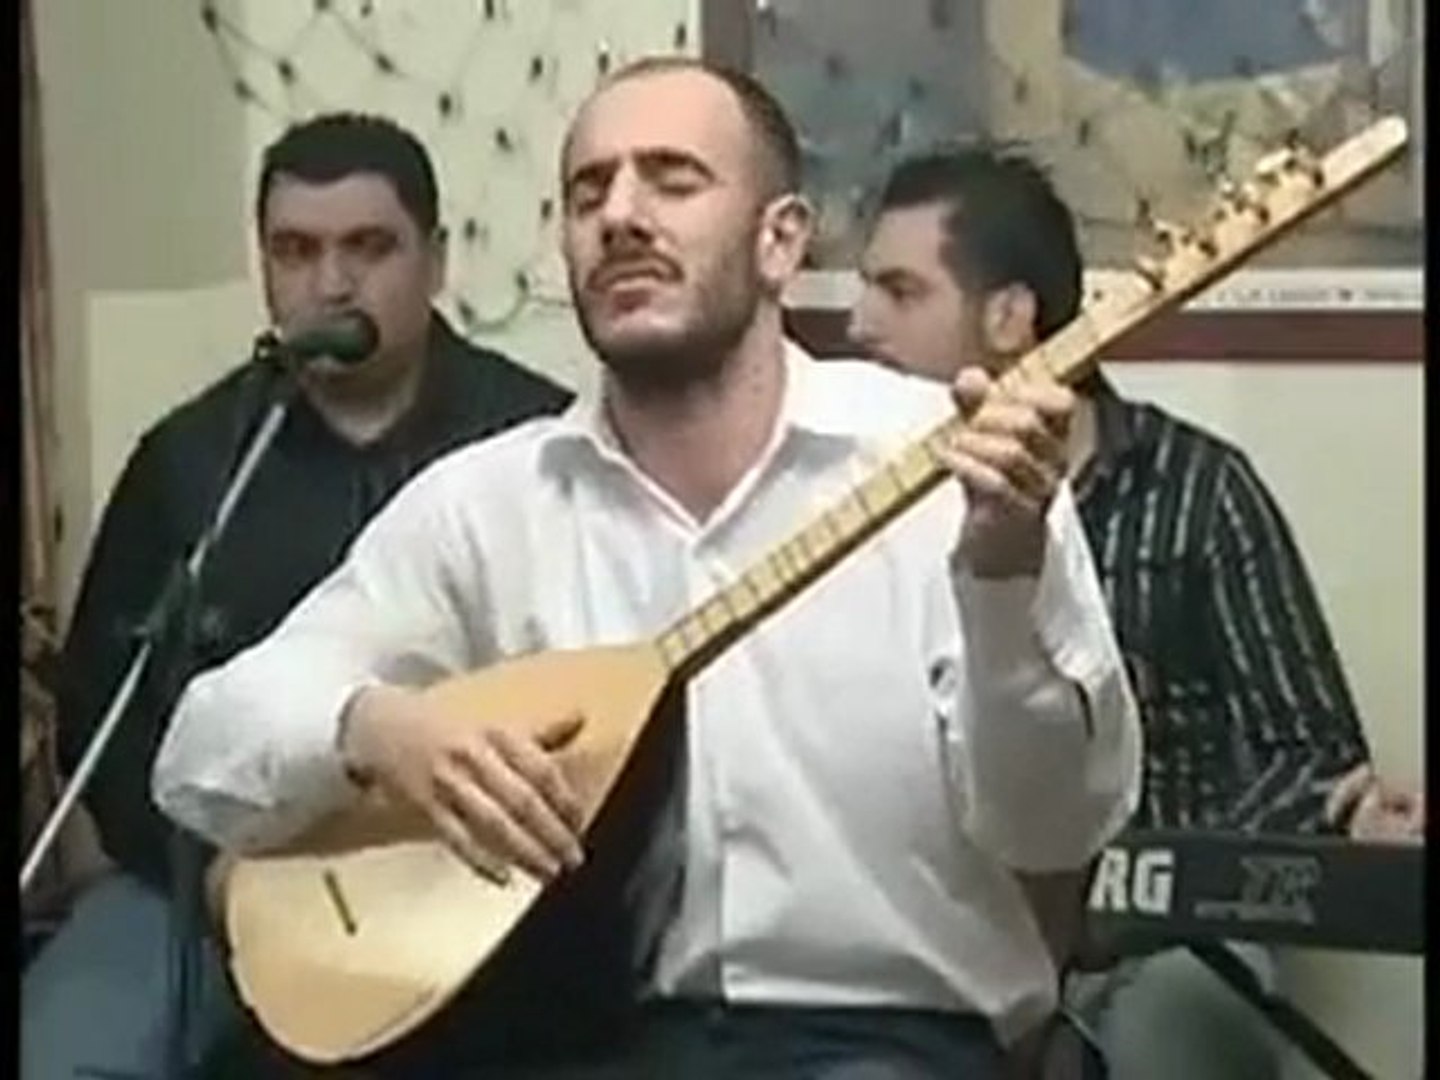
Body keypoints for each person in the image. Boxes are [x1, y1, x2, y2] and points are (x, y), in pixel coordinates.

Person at [152, 57, 1142, 1079]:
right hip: (582, 1040)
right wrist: (380, 731)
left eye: (672, 180)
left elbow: (1053, 823)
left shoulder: (946, 460)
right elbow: (201, 750)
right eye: (590, 192)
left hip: (883, 1038)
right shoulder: (488, 504)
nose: (620, 215)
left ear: (780, 241)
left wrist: (1002, 576)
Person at [848, 144, 1424, 1080]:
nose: (859, 323)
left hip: (1161, 950)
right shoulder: (855, 507)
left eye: (899, 292)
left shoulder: (1199, 489)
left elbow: (1313, 756)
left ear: (1010, 317)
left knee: (1172, 1022)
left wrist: (1147, 872)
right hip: (943, 933)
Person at [22, 112, 572, 1080]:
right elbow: (101, 725)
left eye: (369, 248)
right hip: (204, 879)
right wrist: (215, 876)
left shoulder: (537, 443)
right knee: (70, 1051)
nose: (332, 283)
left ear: (435, 260)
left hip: (453, 877)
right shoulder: (192, 462)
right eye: (297, 251)